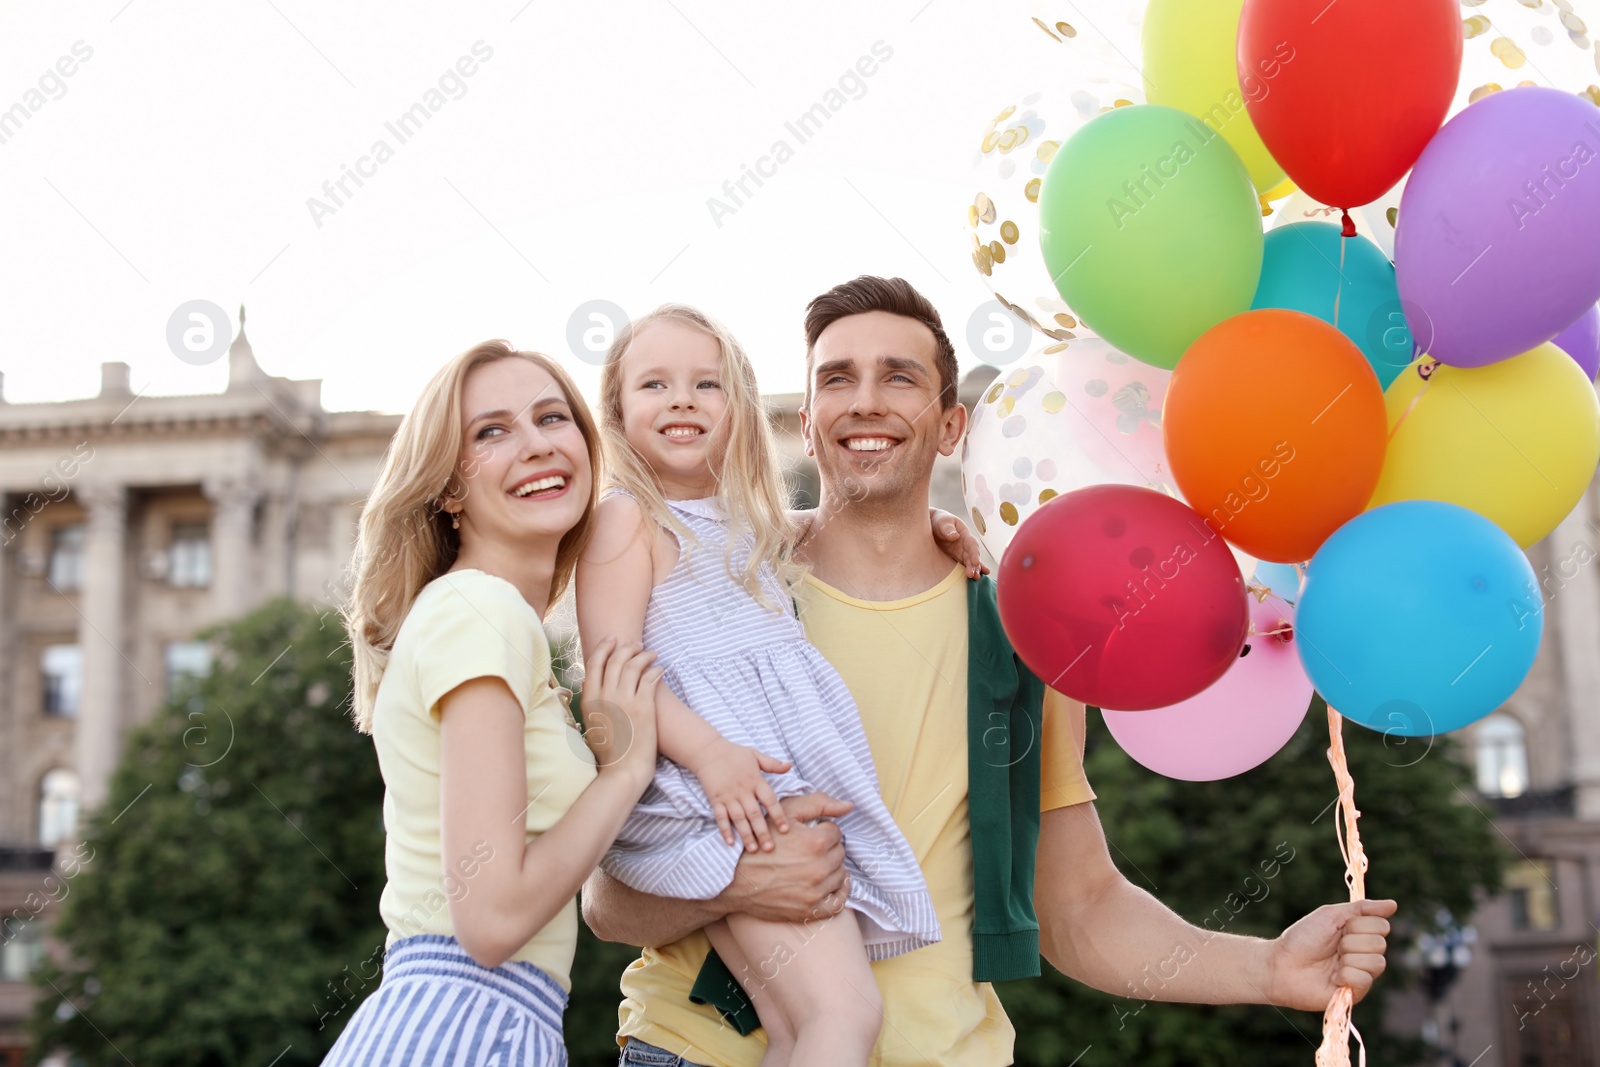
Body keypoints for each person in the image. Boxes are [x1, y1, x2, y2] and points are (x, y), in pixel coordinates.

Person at [583, 277, 1399, 1067]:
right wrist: (741, 882)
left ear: (949, 426)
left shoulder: (1017, 639)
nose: (865, 400)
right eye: (837, 378)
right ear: (809, 418)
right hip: (701, 1047)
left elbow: (1078, 906)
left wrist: (1264, 967)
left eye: (899, 377)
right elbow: (608, 900)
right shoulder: (714, 604)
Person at [576, 304, 983, 1066]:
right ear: (616, 412)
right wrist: (714, 756)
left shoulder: (746, 524)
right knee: (847, 1015)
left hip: (746, 796)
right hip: (717, 800)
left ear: (740, 408)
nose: (682, 400)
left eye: (707, 383)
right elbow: (613, 672)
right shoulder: (624, 520)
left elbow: (810, 529)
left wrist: (937, 520)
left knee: (800, 1027)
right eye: (654, 384)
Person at [325, 340, 664, 1065]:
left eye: (552, 417)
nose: (537, 445)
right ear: (448, 488)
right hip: (464, 1018)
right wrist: (624, 773)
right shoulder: (481, 611)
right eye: (492, 431)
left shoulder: (492, 619)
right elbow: (491, 914)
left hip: (480, 1019)